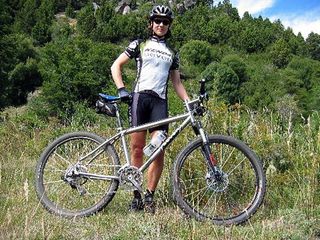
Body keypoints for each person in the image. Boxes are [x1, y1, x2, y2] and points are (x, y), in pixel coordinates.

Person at [111, 5, 189, 213]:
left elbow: (177, 84)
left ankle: (149, 196)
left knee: (158, 151)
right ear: (151, 23)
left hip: (159, 103)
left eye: (165, 22)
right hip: (140, 98)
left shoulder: (172, 53)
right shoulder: (140, 44)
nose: (161, 25)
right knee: (137, 149)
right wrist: (121, 89)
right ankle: (135, 196)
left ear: (169, 25)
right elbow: (115, 66)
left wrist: (189, 102)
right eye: (157, 21)